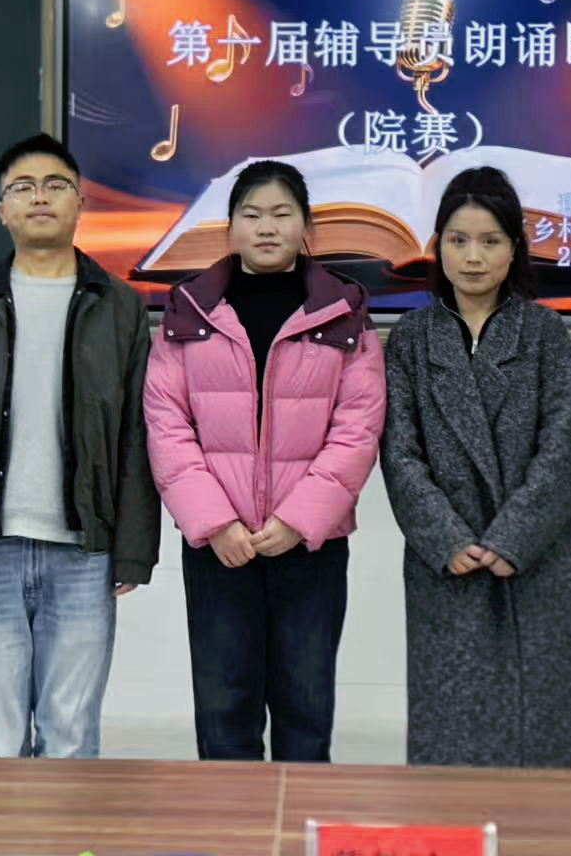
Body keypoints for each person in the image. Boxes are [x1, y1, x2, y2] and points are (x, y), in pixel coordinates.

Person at [0, 134, 159, 758]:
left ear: (81, 204)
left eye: (56, 185)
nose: (40, 197)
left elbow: (138, 435)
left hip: (83, 554)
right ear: (2, 210)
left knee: (70, 739)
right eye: (22, 188)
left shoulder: (120, 306)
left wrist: (134, 550)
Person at [144, 159, 385, 762]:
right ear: (231, 227)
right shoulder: (189, 311)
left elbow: (358, 427)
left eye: (281, 214)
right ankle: (232, 822)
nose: (267, 227)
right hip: (219, 548)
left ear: (306, 226)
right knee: (224, 714)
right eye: (252, 215)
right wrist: (216, 522)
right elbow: (167, 425)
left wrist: (300, 520)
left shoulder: (344, 312)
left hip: (311, 546)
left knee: (306, 712)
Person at [381, 166, 571, 768]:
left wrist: (512, 537)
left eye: (490, 241)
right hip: (447, 561)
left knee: (540, 740)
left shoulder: (545, 331)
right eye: (458, 240)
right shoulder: (411, 338)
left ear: (514, 249)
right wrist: (446, 538)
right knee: (453, 736)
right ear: (438, 246)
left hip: (532, 557)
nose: (473, 257)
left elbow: (563, 446)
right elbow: (399, 454)